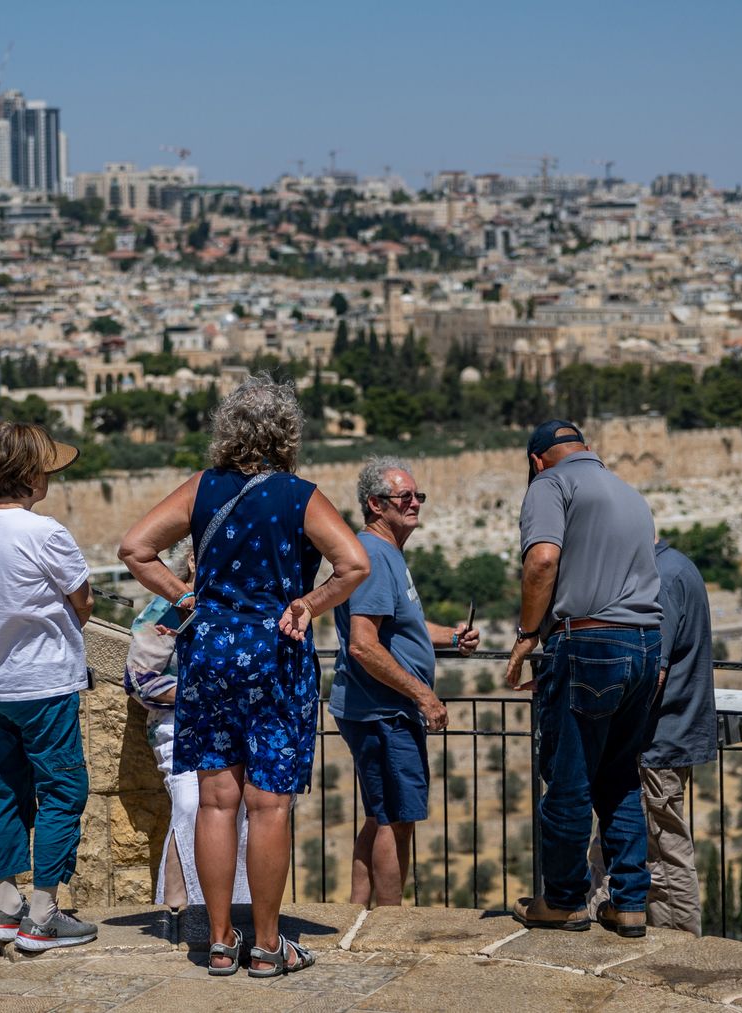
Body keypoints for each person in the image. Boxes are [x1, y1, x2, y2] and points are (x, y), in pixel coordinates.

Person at [118, 373, 370, 978]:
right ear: (287, 433)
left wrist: (185, 596)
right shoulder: (299, 495)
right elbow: (354, 563)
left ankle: (220, 942)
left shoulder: (201, 489)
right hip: (275, 653)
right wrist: (308, 604)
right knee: (269, 804)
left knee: (215, 801)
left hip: (208, 652)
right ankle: (266, 944)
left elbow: (135, 548)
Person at [505, 420, 663, 937]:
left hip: (591, 643)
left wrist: (529, 633)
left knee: (569, 779)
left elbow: (542, 560)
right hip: (645, 646)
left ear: (536, 460)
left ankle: (567, 900)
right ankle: (631, 902)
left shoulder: (551, 484)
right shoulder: (629, 492)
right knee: (618, 778)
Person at [0, 422, 97, 952]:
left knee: (7, 791)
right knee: (63, 790)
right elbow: (83, 602)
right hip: (44, 684)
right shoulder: (45, 532)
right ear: (31, 476)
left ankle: (5, 907)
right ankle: (43, 915)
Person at [331, 457, 479, 908]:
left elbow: (402, 625)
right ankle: (392, 925)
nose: (415, 504)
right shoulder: (375, 556)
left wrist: (451, 636)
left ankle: (359, 913)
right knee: (398, 818)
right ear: (376, 505)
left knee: (380, 815)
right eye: (405, 497)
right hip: (386, 710)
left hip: (380, 707)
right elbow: (363, 644)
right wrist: (423, 695)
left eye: (419, 497)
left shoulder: (383, 552)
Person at [588, 533, 715, 934]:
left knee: (661, 858)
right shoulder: (675, 566)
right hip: (663, 739)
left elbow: (651, 672)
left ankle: (678, 953)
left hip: (654, 743)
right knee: (640, 849)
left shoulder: (658, 576)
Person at [124, 549, 252, 919]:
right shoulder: (166, 608)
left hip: (233, 726)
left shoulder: (237, 608)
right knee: (191, 805)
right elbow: (138, 679)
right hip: (178, 725)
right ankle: (181, 905)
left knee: (241, 810)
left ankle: (236, 909)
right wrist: (203, 693)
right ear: (193, 560)